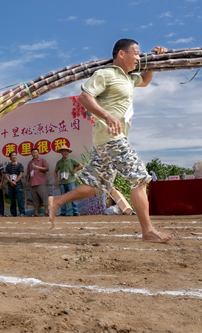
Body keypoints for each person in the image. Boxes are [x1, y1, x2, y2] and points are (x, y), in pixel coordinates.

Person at [48, 39, 174, 243]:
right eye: (136, 53)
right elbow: (84, 98)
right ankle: (148, 231)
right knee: (140, 178)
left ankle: (57, 201)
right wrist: (107, 116)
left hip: (107, 140)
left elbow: (145, 80)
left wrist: (155, 59)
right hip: (111, 137)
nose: (138, 57)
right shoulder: (105, 74)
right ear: (121, 54)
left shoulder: (130, 78)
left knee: (96, 185)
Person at [54, 146, 83, 217]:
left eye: (66, 151)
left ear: (68, 152)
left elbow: (81, 165)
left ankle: (76, 212)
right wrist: (57, 180)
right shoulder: (59, 162)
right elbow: (55, 171)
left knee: (73, 197)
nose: (65, 152)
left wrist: (74, 171)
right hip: (62, 182)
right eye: (63, 151)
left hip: (71, 181)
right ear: (61, 152)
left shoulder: (72, 160)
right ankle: (63, 212)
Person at [26, 148, 50, 217]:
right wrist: (27, 182)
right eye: (33, 153)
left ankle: (46, 212)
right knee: (35, 199)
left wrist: (38, 167)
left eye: (36, 152)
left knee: (44, 197)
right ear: (31, 154)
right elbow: (28, 173)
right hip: (33, 183)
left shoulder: (42, 160)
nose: (34, 154)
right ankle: (36, 213)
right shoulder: (30, 163)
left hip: (41, 183)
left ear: (38, 153)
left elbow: (47, 169)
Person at [4, 152, 25, 217]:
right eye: (12, 155)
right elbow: (6, 175)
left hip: (18, 184)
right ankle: (13, 213)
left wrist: (15, 181)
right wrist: (11, 182)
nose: (14, 156)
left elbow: (21, 174)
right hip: (10, 185)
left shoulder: (19, 165)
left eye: (15, 155)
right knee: (12, 200)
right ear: (10, 157)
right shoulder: (8, 166)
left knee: (19, 199)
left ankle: (22, 213)